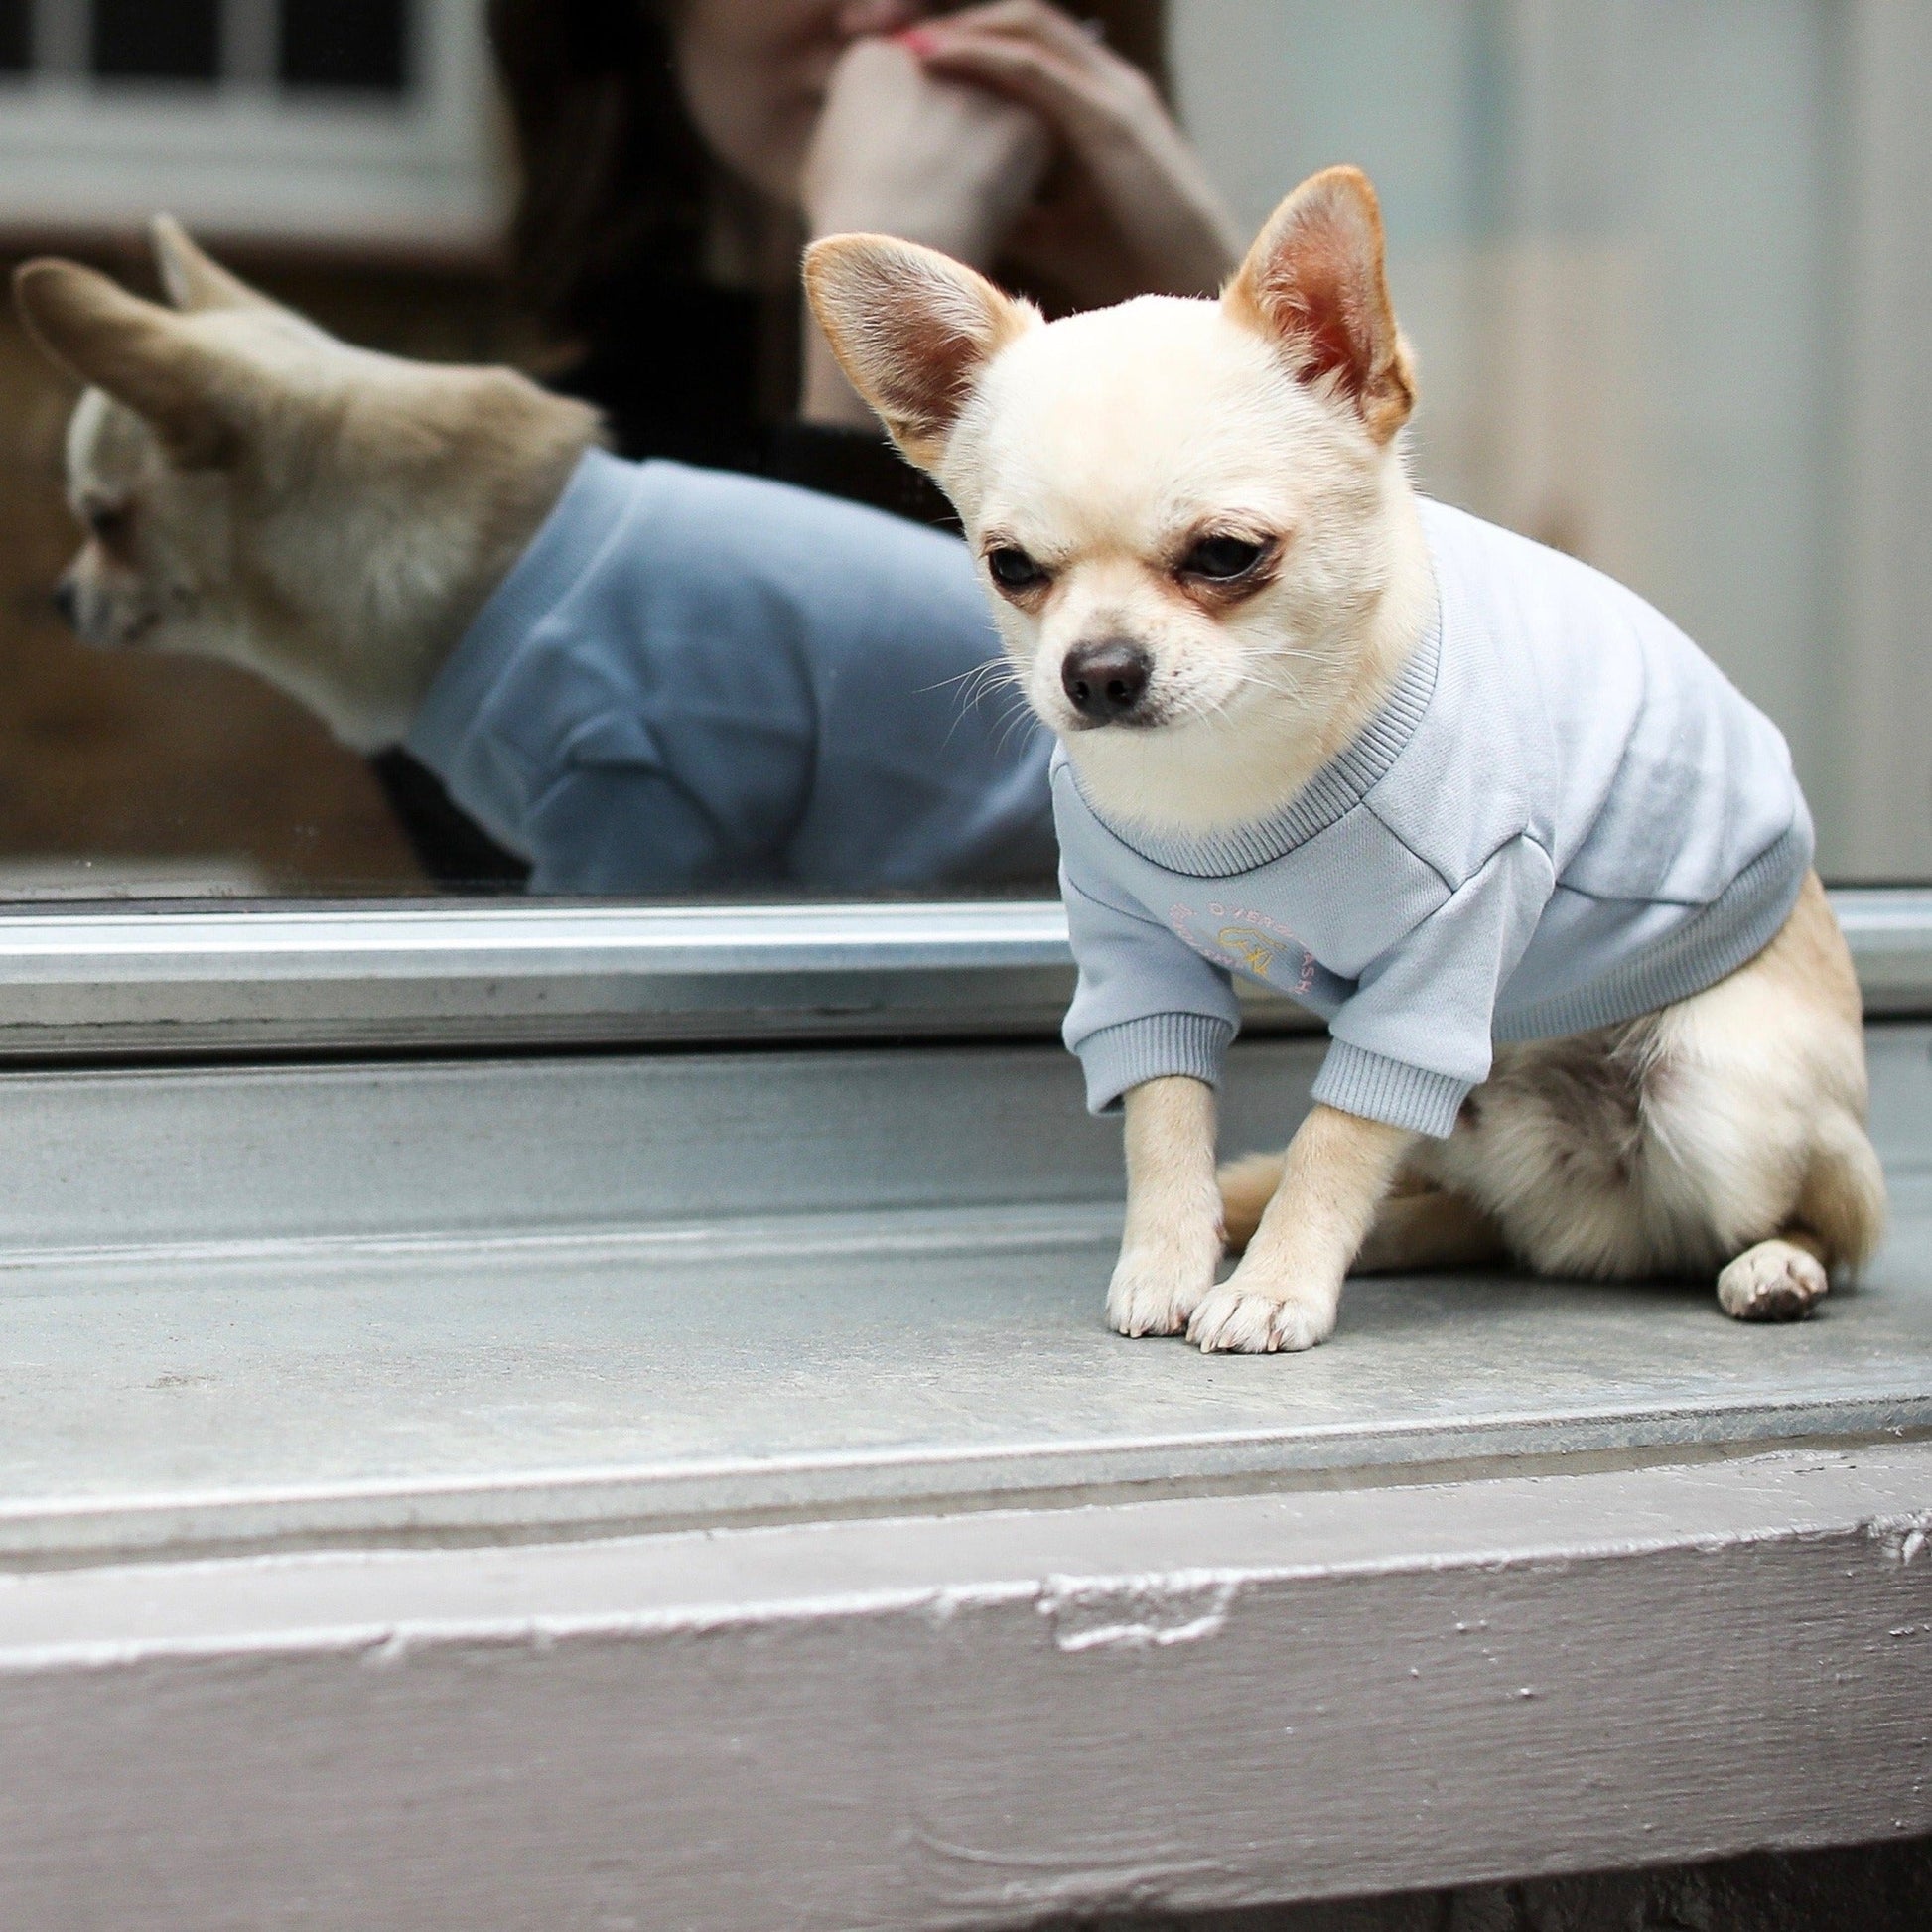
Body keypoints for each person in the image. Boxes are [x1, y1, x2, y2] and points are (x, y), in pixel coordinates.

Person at [381, 0, 1243, 887]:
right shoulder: (501, 507)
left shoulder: (1132, 370)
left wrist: (1228, 334)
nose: (886, 13)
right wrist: (871, 343)